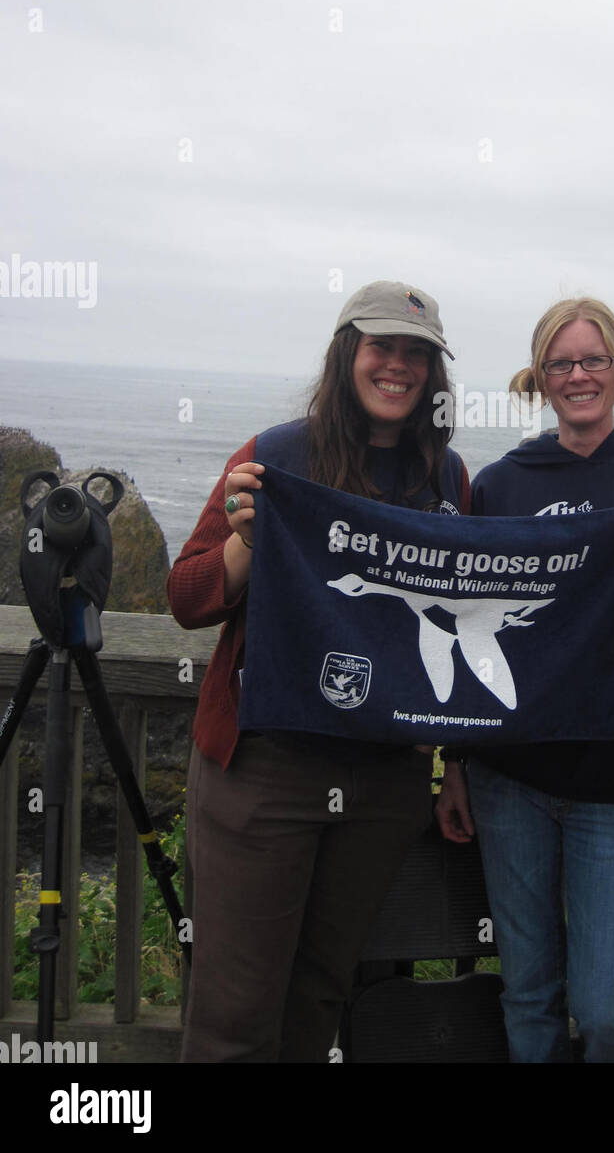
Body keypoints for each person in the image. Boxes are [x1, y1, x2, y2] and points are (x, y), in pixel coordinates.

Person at [168, 281, 470, 1062]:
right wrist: (246, 540)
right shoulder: (272, 457)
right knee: (234, 1009)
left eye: (416, 354)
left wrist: (457, 762)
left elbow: (463, 623)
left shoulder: (449, 480)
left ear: (433, 373)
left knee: (319, 995)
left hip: (382, 780)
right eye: (381, 347)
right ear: (347, 356)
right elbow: (189, 599)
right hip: (265, 770)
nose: (397, 366)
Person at [435, 298, 614, 1063]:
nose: (577, 375)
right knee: (528, 996)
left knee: (609, 1011)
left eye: (592, 360)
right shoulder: (499, 486)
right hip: (509, 779)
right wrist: (455, 763)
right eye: (560, 363)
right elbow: (464, 623)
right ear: (539, 378)